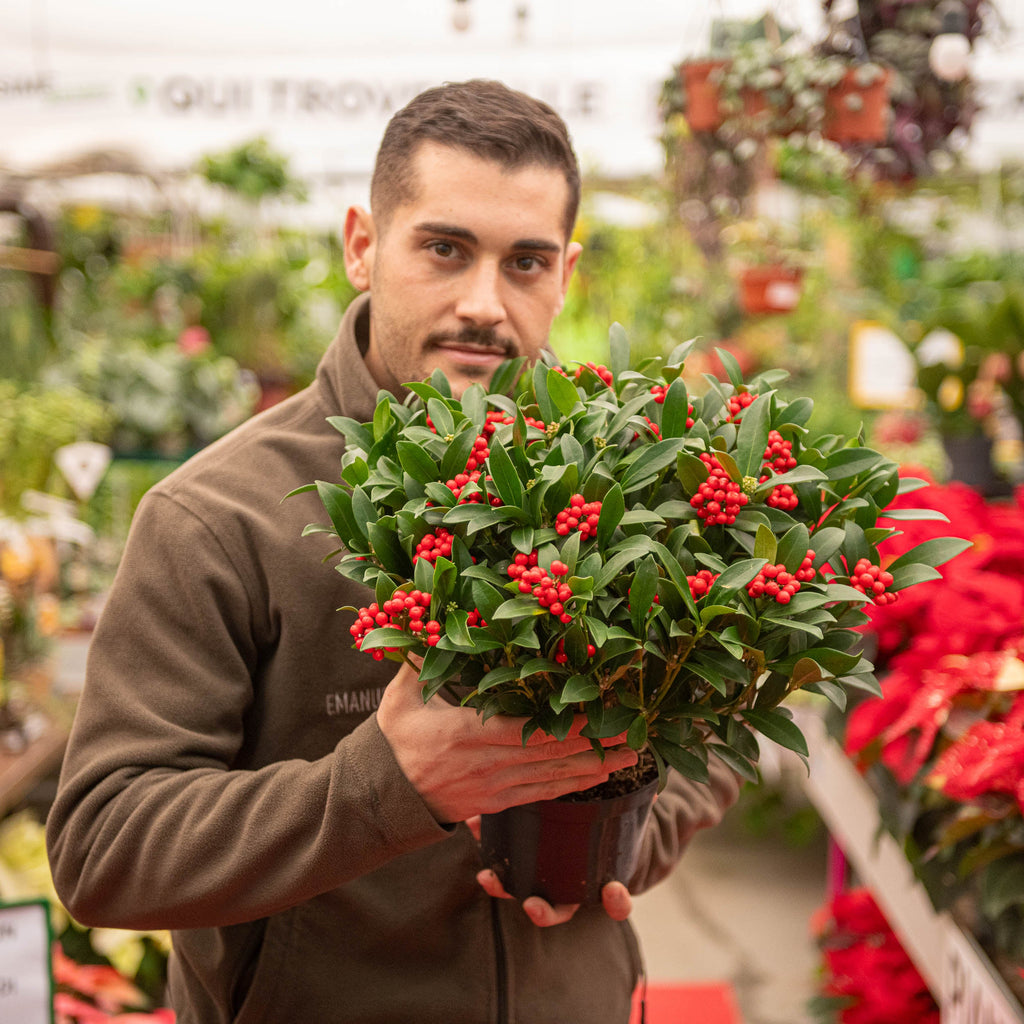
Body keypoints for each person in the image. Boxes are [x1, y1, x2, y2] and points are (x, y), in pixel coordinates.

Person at [46, 80, 739, 1024]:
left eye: (526, 262)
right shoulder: (217, 518)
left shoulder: (626, 485)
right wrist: (386, 783)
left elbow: (731, 713)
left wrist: (620, 835)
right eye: (444, 249)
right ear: (363, 246)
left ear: (567, 274)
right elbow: (104, 848)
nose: (484, 304)